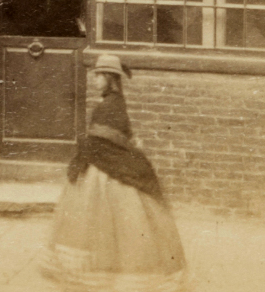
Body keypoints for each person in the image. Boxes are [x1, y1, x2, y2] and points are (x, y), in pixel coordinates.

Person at [42, 54, 189, 292]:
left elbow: (103, 141)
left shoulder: (108, 105)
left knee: (105, 225)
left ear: (110, 78)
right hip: (106, 165)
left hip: (105, 173)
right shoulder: (116, 102)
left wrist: (84, 152)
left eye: (99, 75)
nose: (95, 79)